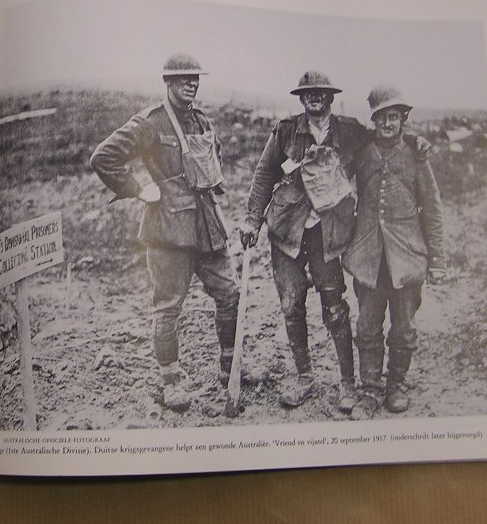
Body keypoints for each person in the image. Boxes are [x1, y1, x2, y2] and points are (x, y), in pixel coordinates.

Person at [90, 54, 240, 412]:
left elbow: (211, 160)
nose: (192, 83)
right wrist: (137, 189)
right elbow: (103, 156)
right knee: (169, 307)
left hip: (206, 224)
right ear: (168, 82)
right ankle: (171, 380)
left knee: (230, 293)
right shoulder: (150, 123)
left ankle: (228, 368)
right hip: (168, 229)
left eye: (195, 78)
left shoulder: (201, 119)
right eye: (184, 78)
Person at [240, 70, 373, 414]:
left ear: (330, 97)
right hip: (287, 231)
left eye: (321, 92)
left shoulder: (349, 131)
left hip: (327, 233)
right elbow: (264, 175)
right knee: (291, 305)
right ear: (301, 97)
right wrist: (253, 219)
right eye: (308, 92)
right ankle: (305, 377)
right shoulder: (286, 130)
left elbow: (381, 144)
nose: (315, 97)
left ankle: (347, 382)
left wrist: (414, 144)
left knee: (334, 306)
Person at [343, 86, 446, 419]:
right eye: (381, 117)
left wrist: (438, 260)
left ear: (403, 119)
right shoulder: (361, 153)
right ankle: (369, 390)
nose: (387, 123)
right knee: (367, 327)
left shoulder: (416, 155)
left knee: (404, 328)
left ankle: (396, 385)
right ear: (373, 120)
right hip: (369, 257)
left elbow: (432, 208)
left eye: (394, 117)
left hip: (407, 258)